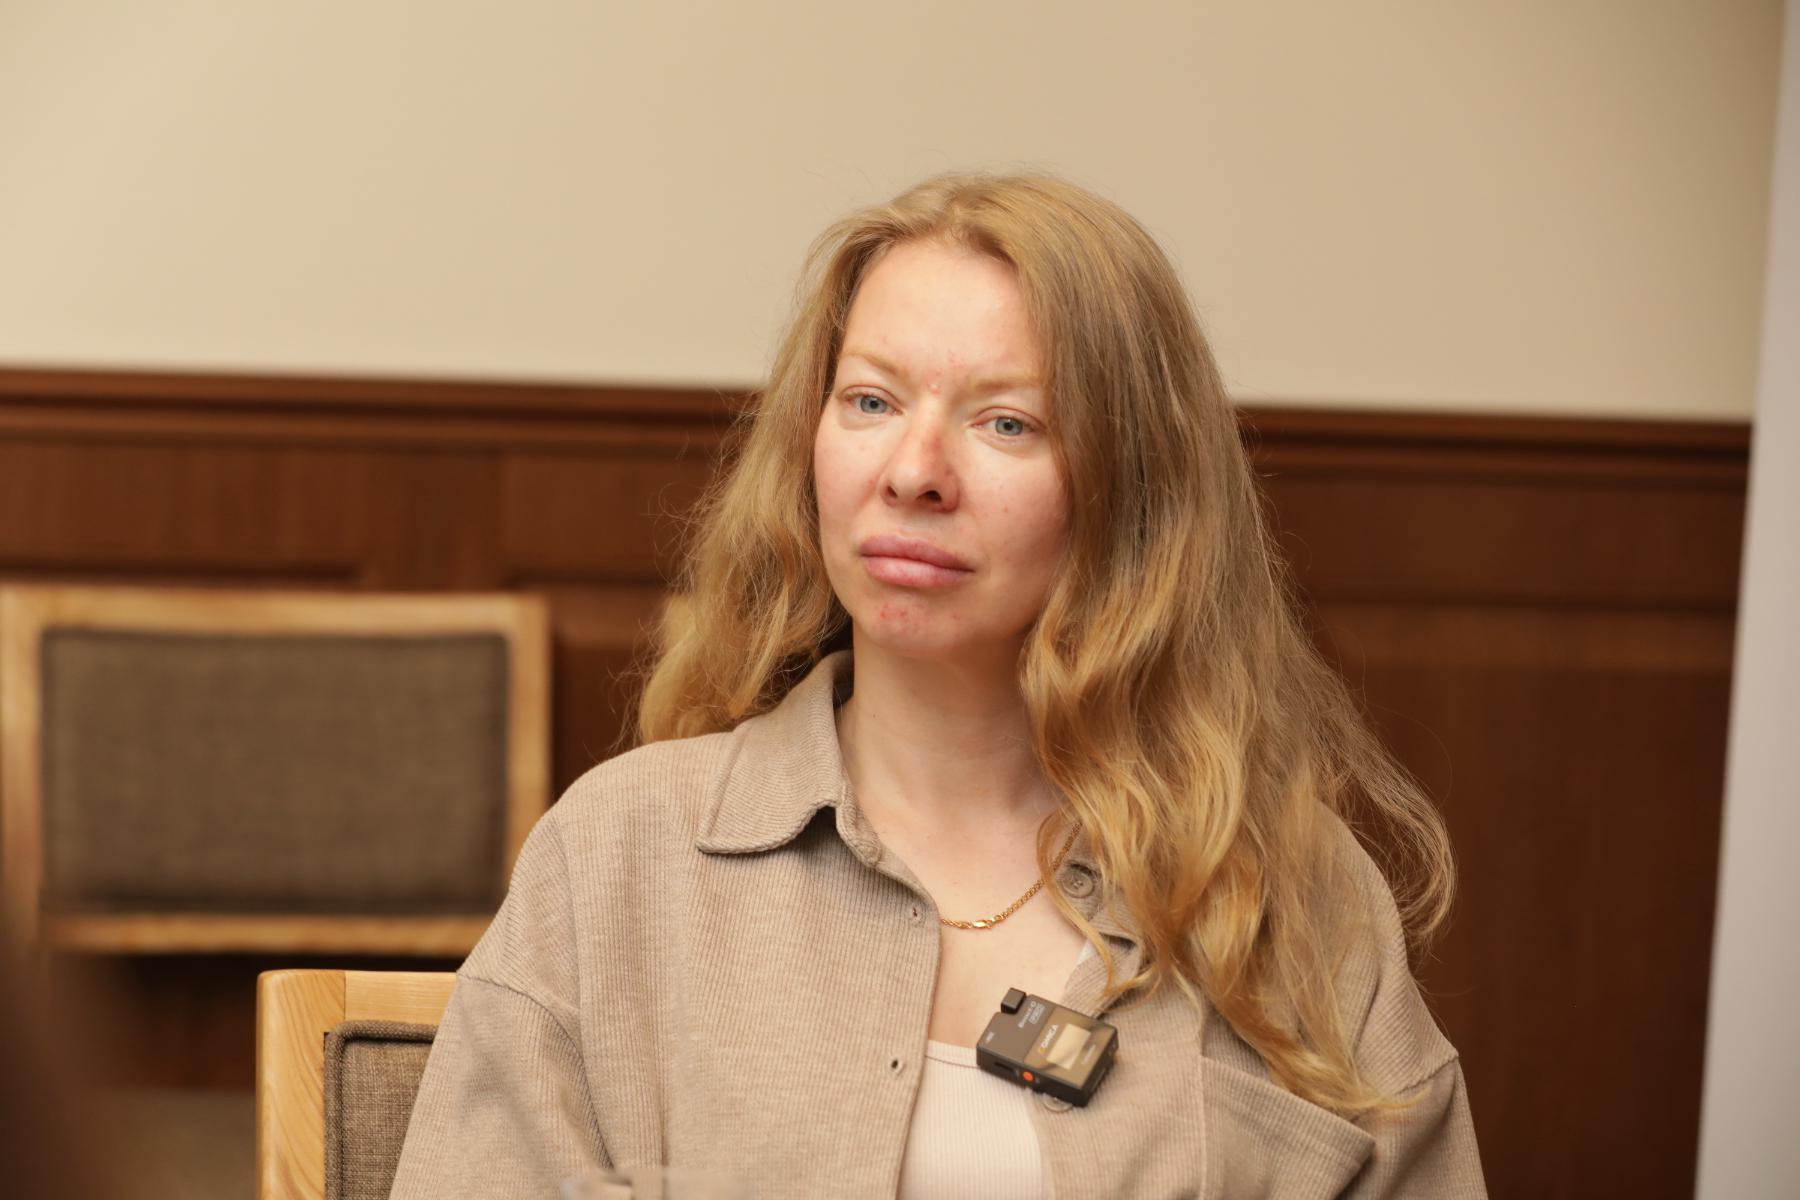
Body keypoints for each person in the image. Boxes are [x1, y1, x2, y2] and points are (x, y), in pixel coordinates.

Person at [390, 172, 1486, 1198]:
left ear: (1135, 495)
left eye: (1006, 422)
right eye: (870, 401)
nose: (913, 472)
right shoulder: (618, 855)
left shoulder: (1296, 899)